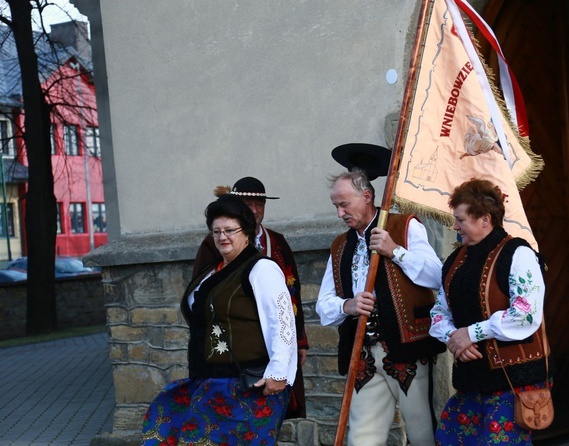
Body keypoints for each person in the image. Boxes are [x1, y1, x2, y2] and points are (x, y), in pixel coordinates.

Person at [141, 194, 297, 445]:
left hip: (247, 385)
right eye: (216, 231)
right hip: (208, 381)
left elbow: (283, 322)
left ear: (246, 232)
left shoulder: (261, 269)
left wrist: (279, 373)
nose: (222, 236)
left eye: (229, 230)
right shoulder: (211, 270)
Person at [316, 168, 446, 446]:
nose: (340, 213)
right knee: (362, 438)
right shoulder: (340, 246)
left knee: (422, 431)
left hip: (407, 348)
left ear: (366, 196)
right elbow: (324, 306)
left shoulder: (404, 226)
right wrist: (347, 306)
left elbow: (436, 276)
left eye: (344, 204)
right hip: (363, 352)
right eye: (336, 206)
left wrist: (395, 251)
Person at [429, 178, 551, 445]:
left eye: (460, 219)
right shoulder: (455, 260)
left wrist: (471, 333)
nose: (455, 226)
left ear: (485, 219)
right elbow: (439, 311)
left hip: (511, 382)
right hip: (470, 379)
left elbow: (525, 313)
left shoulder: (517, 253)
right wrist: (455, 338)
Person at [192, 176, 309, 419]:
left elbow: (287, 304)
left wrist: (296, 346)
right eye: (217, 232)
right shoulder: (212, 250)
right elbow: (200, 297)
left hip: (251, 371)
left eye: (260, 204)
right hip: (215, 372)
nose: (223, 236)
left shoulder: (270, 254)